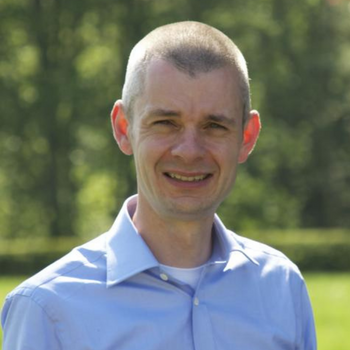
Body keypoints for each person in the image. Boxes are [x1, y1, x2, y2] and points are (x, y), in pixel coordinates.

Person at [1, 21, 317, 349]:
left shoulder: (282, 287)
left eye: (214, 126)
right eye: (166, 123)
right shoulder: (48, 310)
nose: (190, 151)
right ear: (124, 128)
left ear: (247, 137)